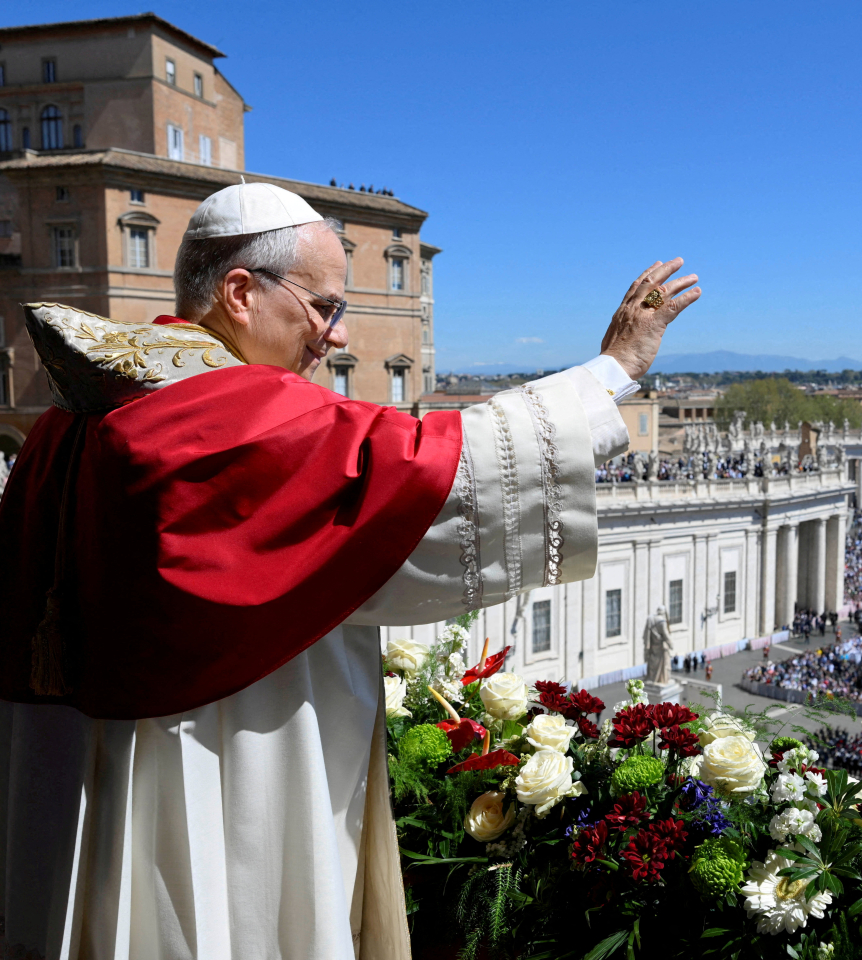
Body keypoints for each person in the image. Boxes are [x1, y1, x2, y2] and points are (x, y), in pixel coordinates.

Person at [0, 182, 700, 959]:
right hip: (225, 763)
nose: (334, 337)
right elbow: (428, 473)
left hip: (83, 778)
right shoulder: (223, 413)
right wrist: (613, 370)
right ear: (240, 292)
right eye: (322, 307)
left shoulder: (76, 413)